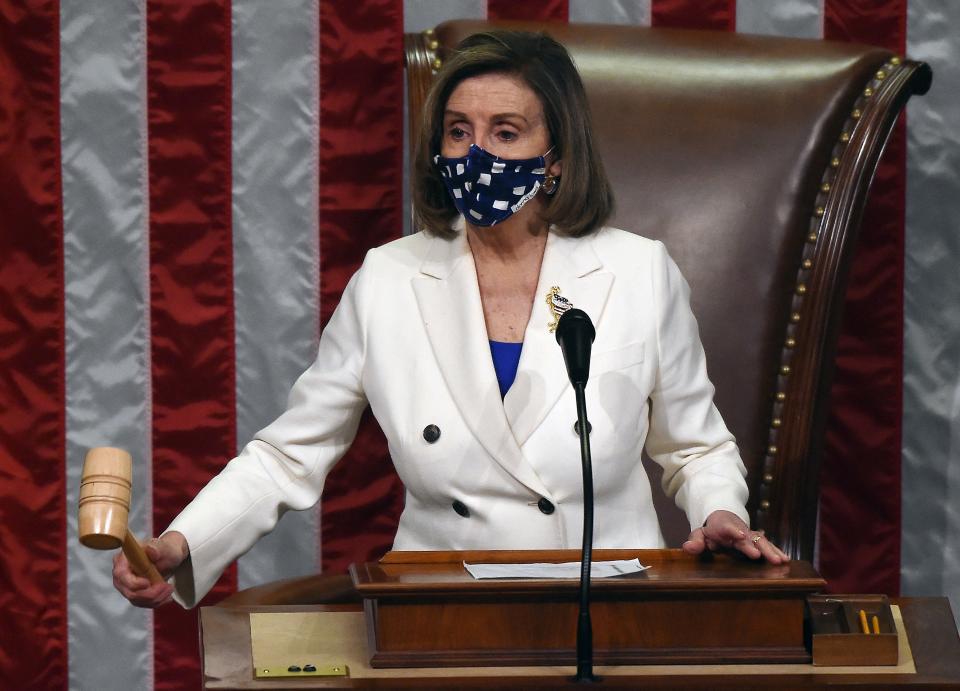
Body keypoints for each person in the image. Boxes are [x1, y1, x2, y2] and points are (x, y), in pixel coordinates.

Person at [114, 30, 788, 609]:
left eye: (506, 132)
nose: (476, 154)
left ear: (555, 157)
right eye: (458, 131)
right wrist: (184, 541)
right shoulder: (389, 278)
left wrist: (720, 512)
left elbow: (694, 447)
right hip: (441, 609)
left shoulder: (639, 271)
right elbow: (290, 453)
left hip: (607, 604)